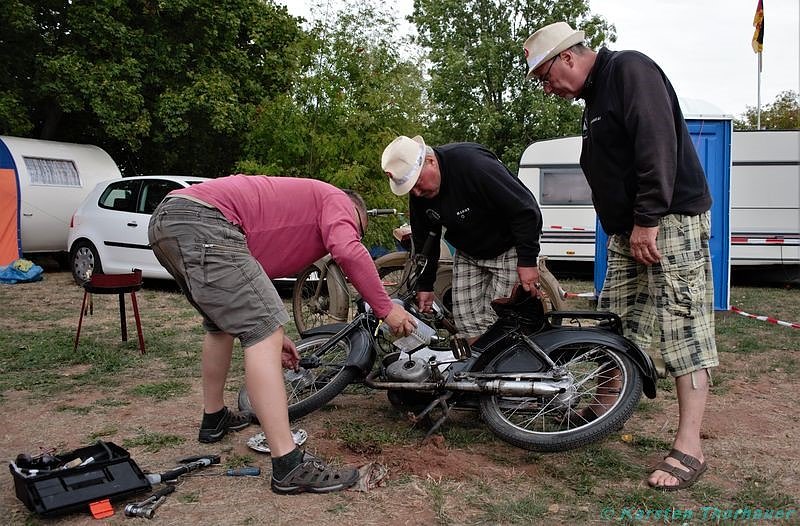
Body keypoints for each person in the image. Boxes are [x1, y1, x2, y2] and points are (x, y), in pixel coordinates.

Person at [523, 22, 718, 491]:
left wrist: (648, 218)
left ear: (568, 57)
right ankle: (608, 403)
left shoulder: (629, 69)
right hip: (628, 232)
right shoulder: (594, 98)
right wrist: (626, 227)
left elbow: (657, 142)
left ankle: (690, 445)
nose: (548, 89)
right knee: (616, 322)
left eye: (546, 77)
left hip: (666, 223)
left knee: (682, 326)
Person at [148, 174, 417, 494]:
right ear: (355, 211)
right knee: (263, 331)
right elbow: (347, 249)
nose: (351, 232)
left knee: (220, 326)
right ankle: (288, 465)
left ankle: (214, 417)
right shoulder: (337, 200)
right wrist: (386, 308)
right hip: (204, 220)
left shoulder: (294, 210)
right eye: (357, 229)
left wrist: (276, 338)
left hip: (170, 221)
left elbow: (247, 301)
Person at [381, 136, 543, 344]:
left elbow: (526, 210)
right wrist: (426, 285)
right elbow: (425, 241)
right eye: (411, 189)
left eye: (418, 184)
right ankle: (477, 371)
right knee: (466, 322)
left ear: (430, 161)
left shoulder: (474, 165)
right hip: (468, 252)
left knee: (500, 321)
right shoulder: (420, 195)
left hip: (508, 248)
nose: (417, 192)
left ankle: (509, 367)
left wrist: (528, 261)